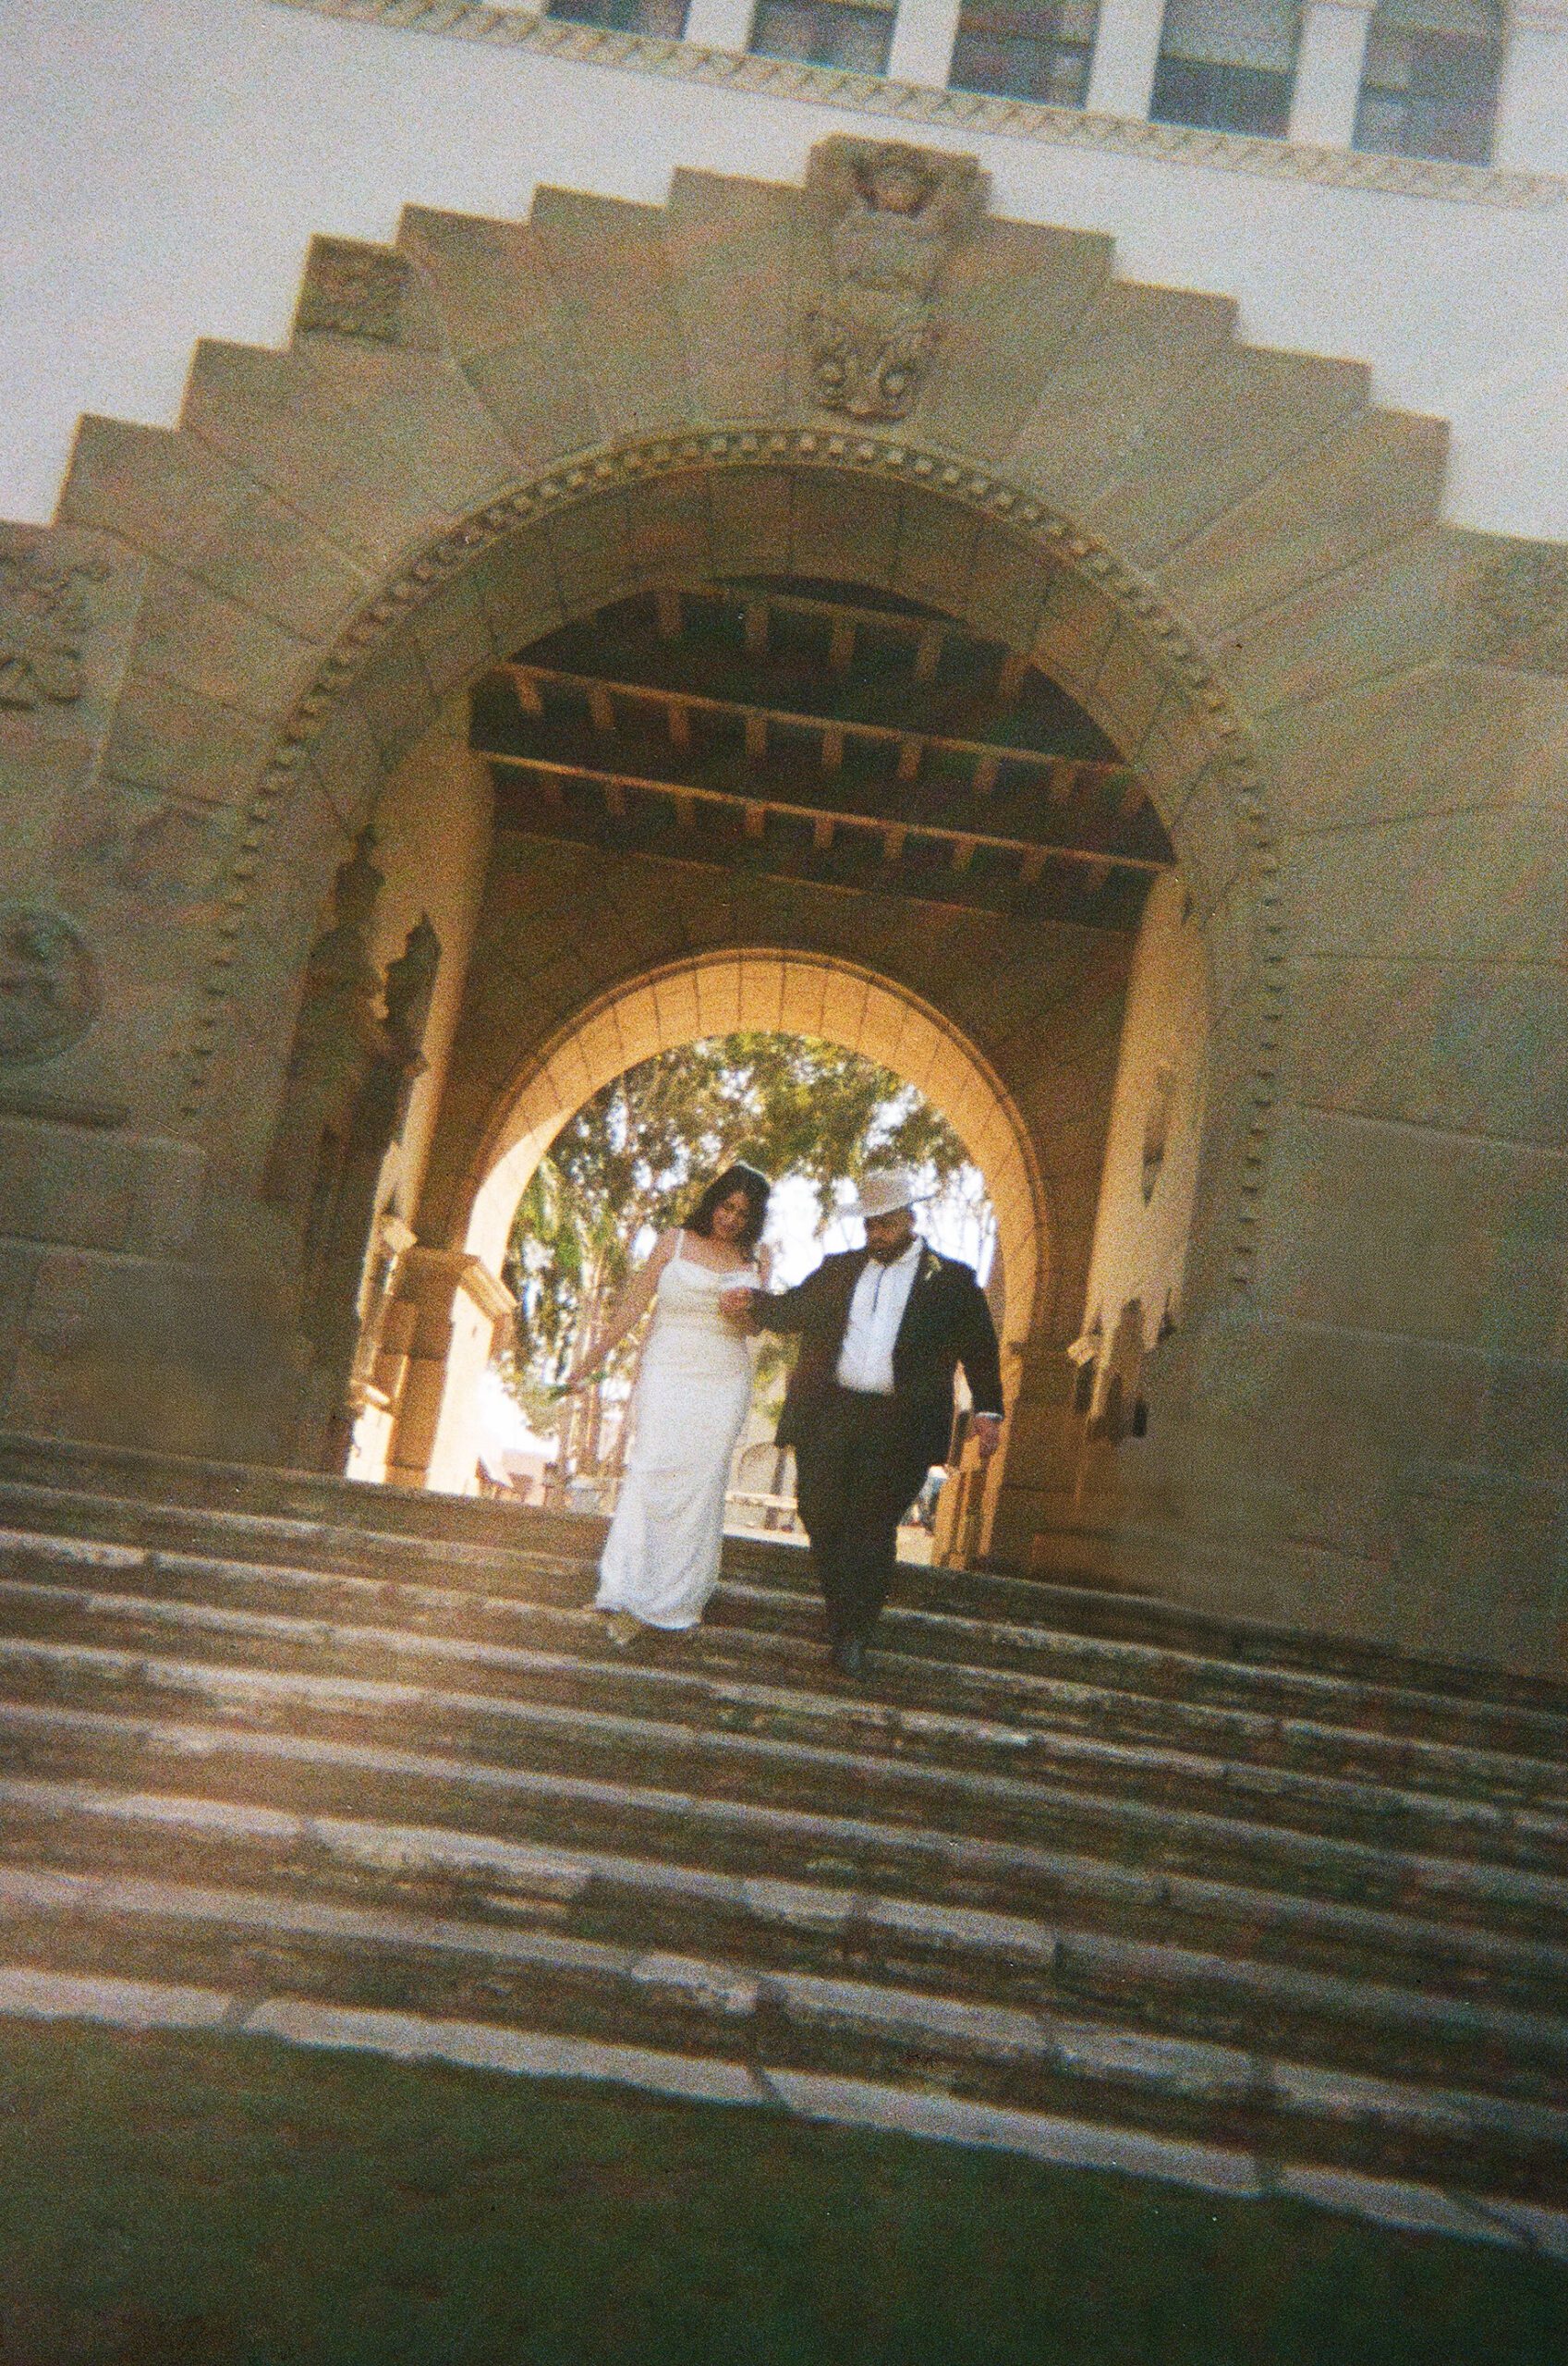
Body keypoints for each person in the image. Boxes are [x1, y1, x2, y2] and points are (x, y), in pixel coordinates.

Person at [723, 1168, 1003, 1681]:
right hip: (830, 1415)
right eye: (870, 1224)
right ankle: (844, 1614)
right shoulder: (839, 1269)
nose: (876, 1233)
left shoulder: (950, 1281)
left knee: (871, 1526)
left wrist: (988, 1410)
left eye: (886, 1224)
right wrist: (753, 1302)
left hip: (901, 1425)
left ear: (909, 1220)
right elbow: (792, 1310)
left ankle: (854, 1632)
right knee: (819, 1510)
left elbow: (980, 1349)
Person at [571, 1164, 772, 1642]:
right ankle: (622, 1588)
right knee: (650, 1468)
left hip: (723, 1376)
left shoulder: (757, 1257)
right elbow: (633, 1304)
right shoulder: (674, 1241)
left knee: (702, 1482)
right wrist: (590, 1361)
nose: (731, 1219)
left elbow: (755, 1328)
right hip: (668, 1368)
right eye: (726, 1206)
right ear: (713, 1201)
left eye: (743, 1214)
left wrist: (740, 1312)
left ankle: (676, 1597)